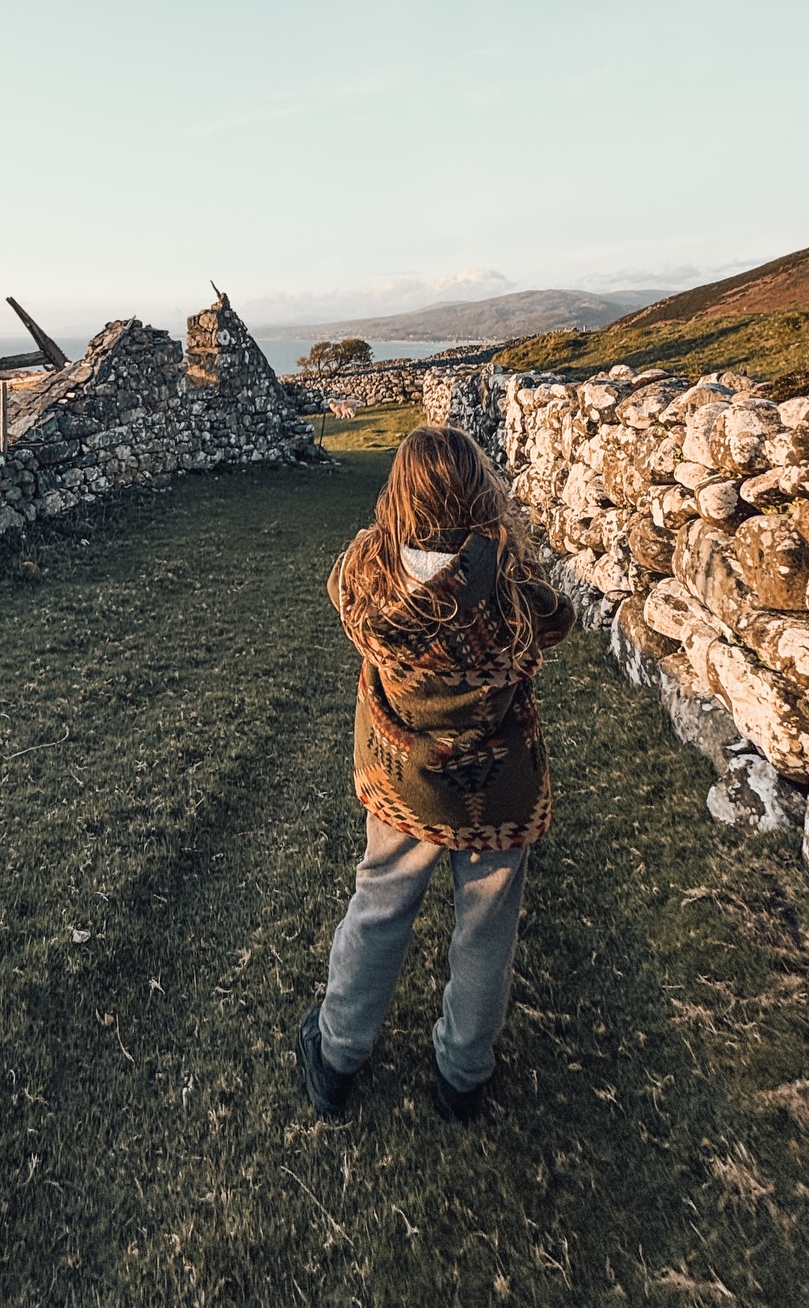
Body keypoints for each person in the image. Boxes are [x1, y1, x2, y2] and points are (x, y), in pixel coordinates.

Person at [297, 424, 575, 1123]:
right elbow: (559, 620)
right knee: (486, 932)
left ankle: (336, 1057)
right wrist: (496, 553)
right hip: (498, 790)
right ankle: (462, 1078)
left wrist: (389, 539)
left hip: (405, 783)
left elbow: (339, 586)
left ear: (399, 494)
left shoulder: (368, 575)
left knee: (379, 908)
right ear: (480, 490)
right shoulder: (509, 583)